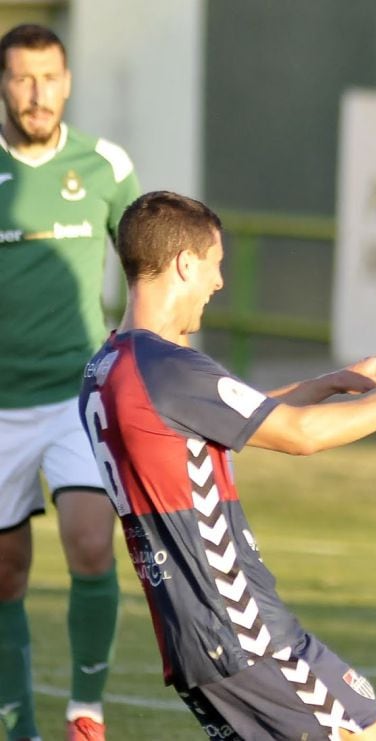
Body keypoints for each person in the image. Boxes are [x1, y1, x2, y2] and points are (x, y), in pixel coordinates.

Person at [77, 190, 376, 740]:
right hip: (243, 632)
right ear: (184, 264)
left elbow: (221, 415)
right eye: (215, 265)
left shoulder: (110, 365)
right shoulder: (168, 367)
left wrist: (327, 383)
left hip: (194, 638)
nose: (219, 282)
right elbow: (299, 437)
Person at [0, 24, 140, 741]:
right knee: (6, 574)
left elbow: (146, 264)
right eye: (23, 78)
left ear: (68, 82)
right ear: (3, 83)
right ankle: (17, 724)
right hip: (0, 407)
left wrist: (144, 355)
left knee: (92, 542)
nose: (36, 94)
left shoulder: (106, 166)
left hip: (76, 395)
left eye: (49, 78)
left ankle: (86, 710)